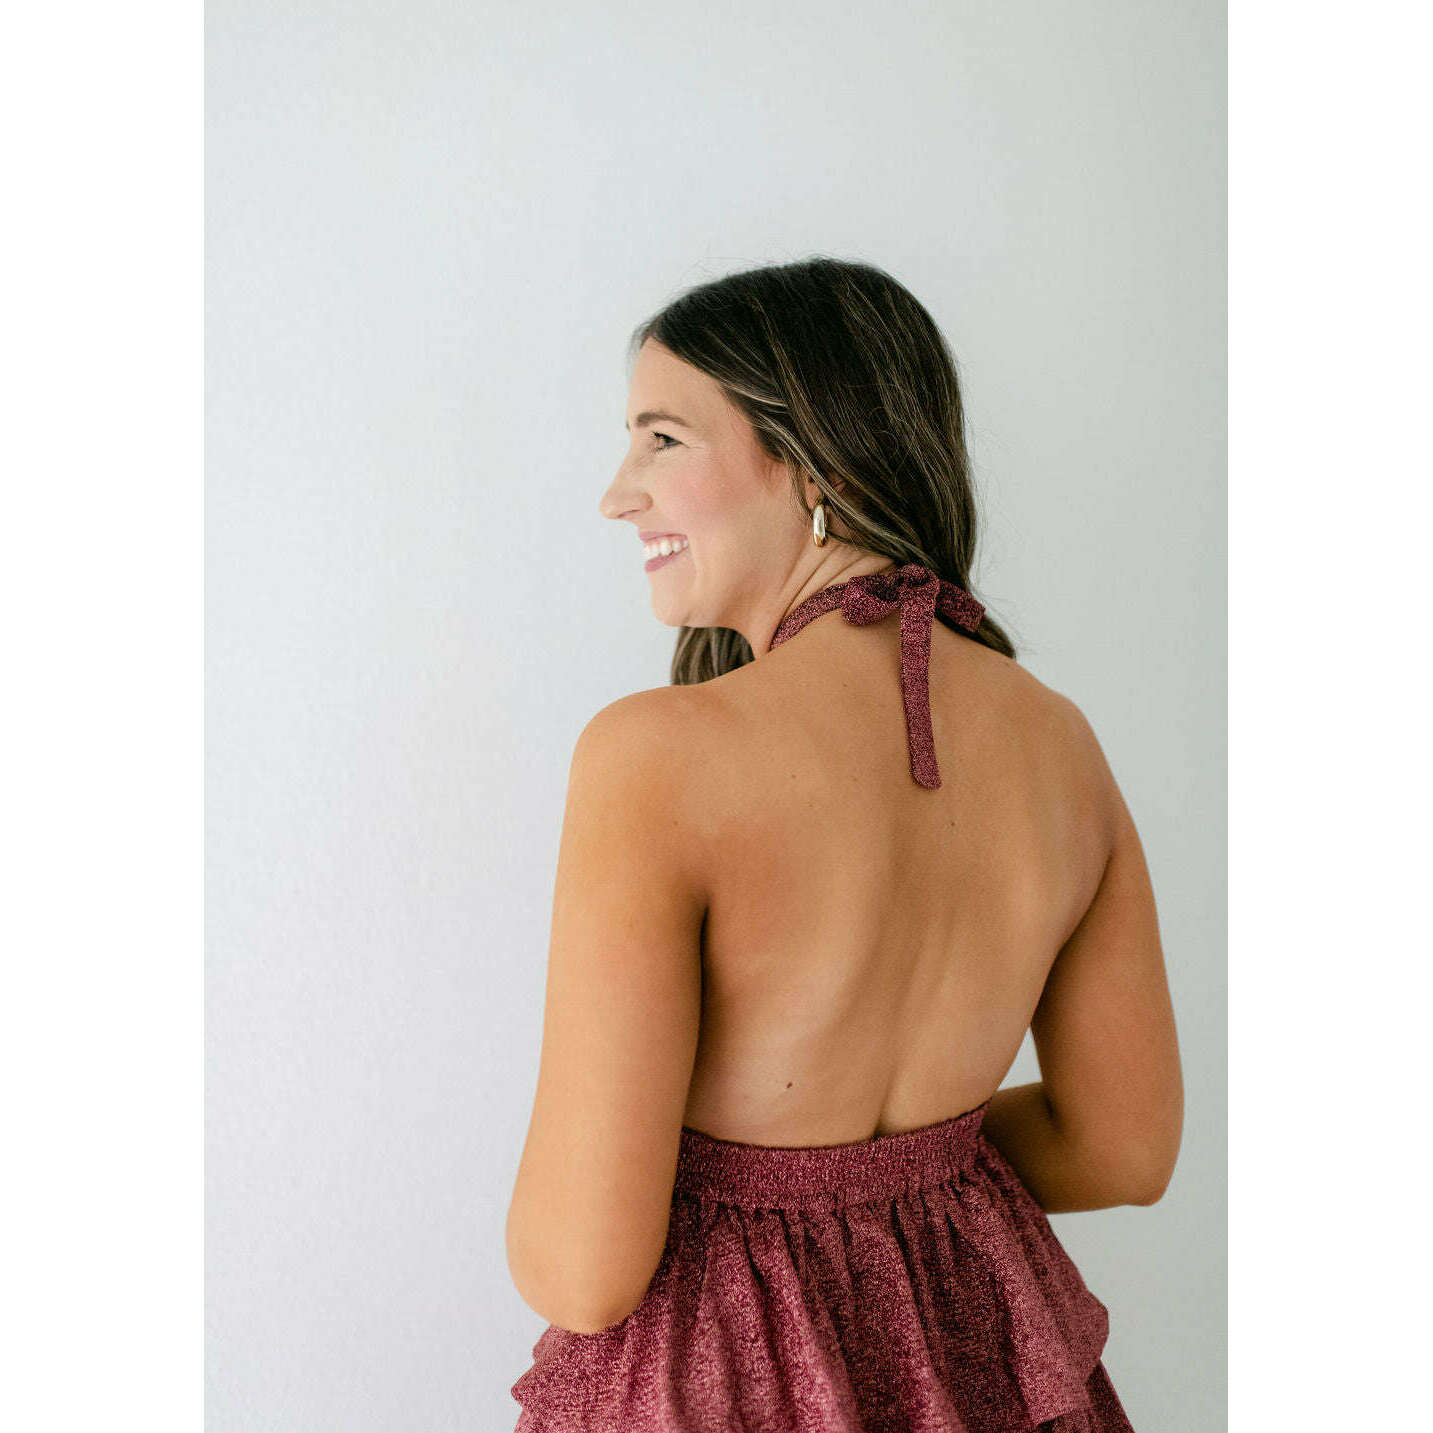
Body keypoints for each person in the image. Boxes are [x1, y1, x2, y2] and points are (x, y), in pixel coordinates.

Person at [505, 256, 1183, 1432]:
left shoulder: (654, 756)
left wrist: (768, 1179)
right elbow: (1119, 1145)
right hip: (972, 1370)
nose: (619, 495)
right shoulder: (1059, 742)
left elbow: (581, 1267)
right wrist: (892, 1174)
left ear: (813, 461)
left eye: (661, 438)